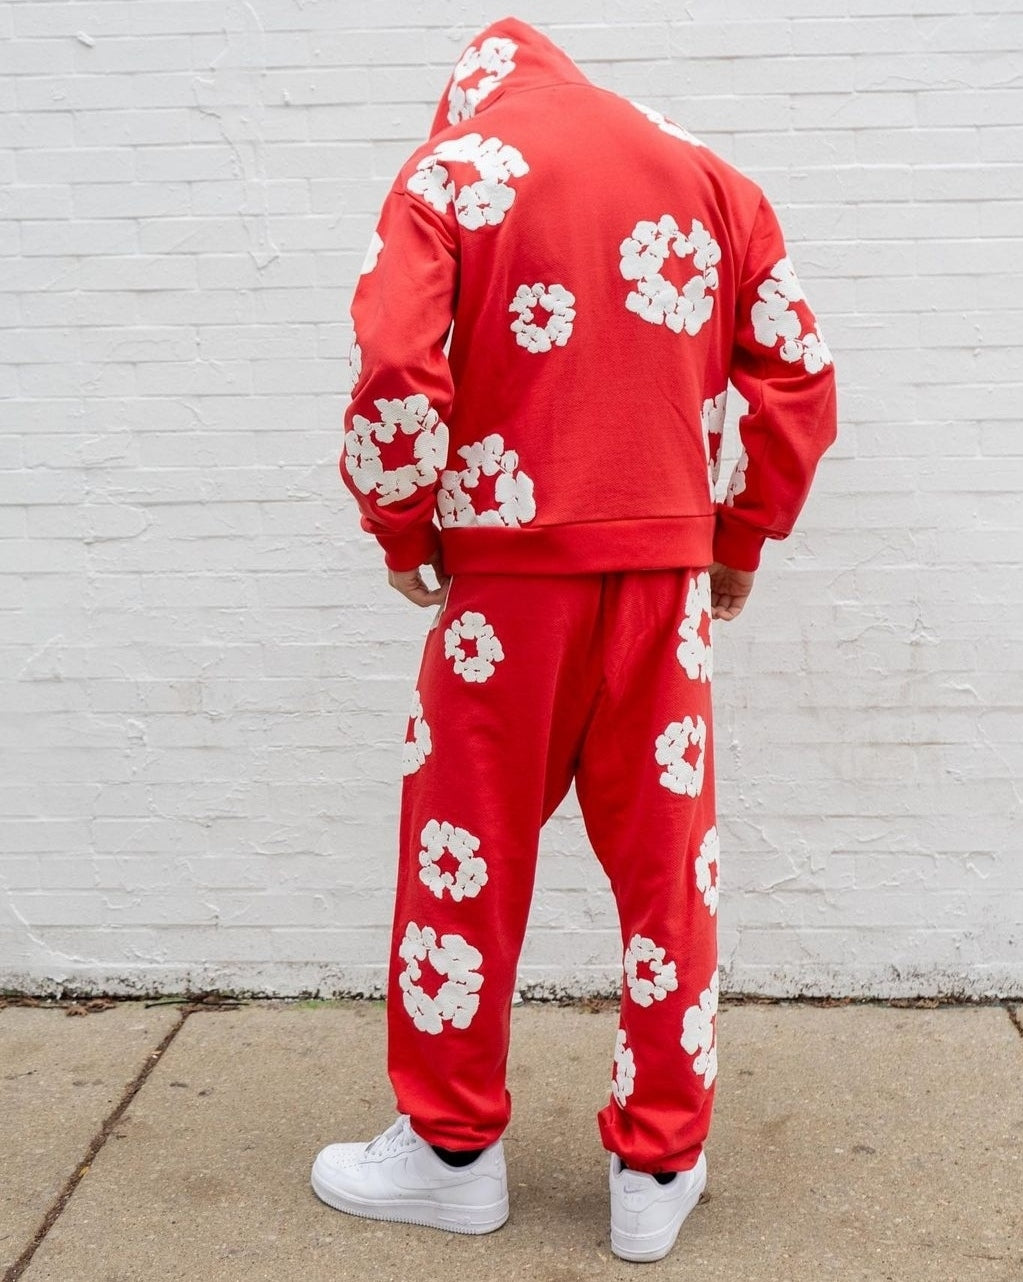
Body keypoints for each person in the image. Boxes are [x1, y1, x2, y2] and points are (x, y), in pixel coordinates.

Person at [311, 16, 836, 1263]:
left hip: (506, 595)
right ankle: (657, 1167)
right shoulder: (702, 171)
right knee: (670, 875)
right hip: (661, 590)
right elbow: (800, 366)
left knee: (463, 858)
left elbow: (395, 363)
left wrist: (402, 522)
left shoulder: (452, 170)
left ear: (467, 96)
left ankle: (450, 1154)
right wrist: (740, 531)